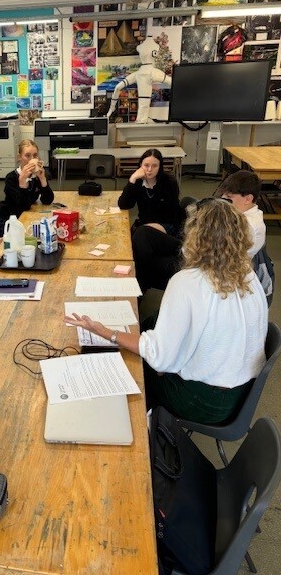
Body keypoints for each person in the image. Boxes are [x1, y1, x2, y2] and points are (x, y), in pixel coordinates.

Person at [66, 198, 268, 425]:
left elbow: (158, 357)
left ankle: (135, 429)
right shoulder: (247, 274)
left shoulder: (187, 282)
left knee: (130, 364)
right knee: (151, 323)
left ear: (194, 235)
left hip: (202, 400)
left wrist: (107, 333)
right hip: (240, 394)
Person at [133, 169, 267, 294]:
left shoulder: (248, 226)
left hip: (204, 267)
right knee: (144, 233)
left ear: (248, 199)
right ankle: (139, 283)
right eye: (223, 194)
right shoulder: (237, 214)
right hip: (198, 252)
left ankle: (136, 291)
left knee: (145, 265)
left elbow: (212, 258)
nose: (223, 199)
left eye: (229, 197)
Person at [118, 148, 185, 236]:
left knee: (140, 235)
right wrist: (132, 179)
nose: (150, 169)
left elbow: (171, 215)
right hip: (145, 225)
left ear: (160, 167)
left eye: (154, 166)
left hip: (167, 225)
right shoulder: (138, 182)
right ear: (140, 165)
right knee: (128, 235)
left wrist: (147, 226)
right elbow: (124, 205)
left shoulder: (169, 182)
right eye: (146, 165)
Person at [0, 139, 54, 236]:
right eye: (27, 155)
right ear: (19, 157)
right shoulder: (11, 178)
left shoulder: (36, 176)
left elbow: (47, 200)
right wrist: (22, 182)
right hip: (10, 221)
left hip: (28, 215)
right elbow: (24, 207)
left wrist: (42, 179)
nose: (32, 159)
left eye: (35, 155)